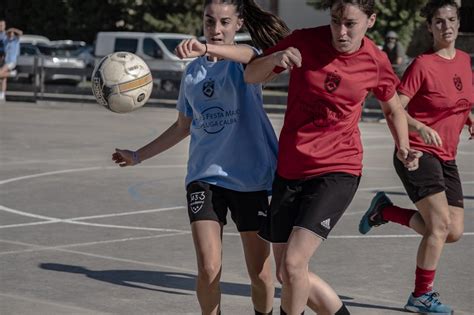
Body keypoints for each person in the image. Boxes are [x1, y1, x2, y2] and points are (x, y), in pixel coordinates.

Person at [244, 0, 422, 314]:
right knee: (288, 272)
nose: (341, 31)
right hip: (291, 170)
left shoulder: (376, 61)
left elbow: (393, 107)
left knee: (295, 263)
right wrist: (274, 57)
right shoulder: (303, 41)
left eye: (350, 23)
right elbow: (251, 76)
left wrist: (403, 145)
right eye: (335, 21)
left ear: (370, 21)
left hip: (338, 170)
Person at [112, 1, 290, 314]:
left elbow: (252, 56)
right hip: (204, 178)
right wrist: (137, 155)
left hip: (250, 180)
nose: (216, 29)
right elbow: (183, 127)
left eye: (224, 22)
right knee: (208, 268)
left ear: (238, 25)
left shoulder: (246, 62)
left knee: (260, 273)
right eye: (210, 22)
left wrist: (206, 46)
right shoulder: (193, 73)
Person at [359, 1, 473, 314]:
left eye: (451, 20)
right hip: (417, 153)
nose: (446, 27)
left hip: (446, 155)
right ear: (429, 27)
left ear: (458, 23)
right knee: (438, 227)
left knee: (453, 232)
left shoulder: (463, 60)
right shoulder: (422, 65)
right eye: (438, 21)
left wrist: (468, 116)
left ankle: (385, 211)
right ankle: (421, 296)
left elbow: (457, 100)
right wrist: (420, 127)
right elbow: (395, 108)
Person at [0, 20, 22, 102]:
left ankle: (13, 73)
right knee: (3, 77)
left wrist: (12, 29)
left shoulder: (16, 41)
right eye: (9, 34)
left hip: (12, 62)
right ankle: (2, 95)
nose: (10, 35)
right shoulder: (6, 41)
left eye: (11, 34)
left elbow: (20, 33)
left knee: (0, 74)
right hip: (6, 61)